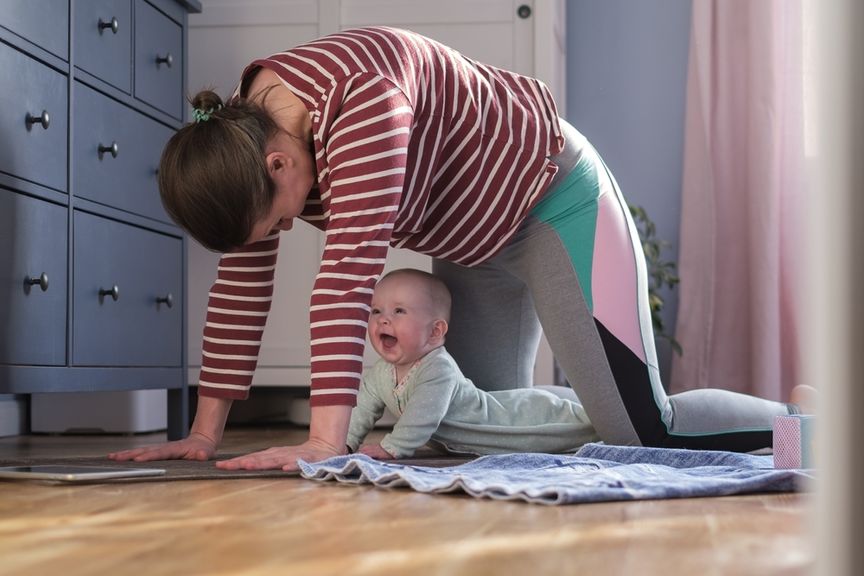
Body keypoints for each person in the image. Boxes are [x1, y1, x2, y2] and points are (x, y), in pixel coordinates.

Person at [109, 26, 803, 471]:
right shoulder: (243, 132)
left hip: (552, 204)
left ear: (279, 167)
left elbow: (345, 277)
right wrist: (204, 432)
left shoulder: (362, 107)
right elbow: (243, 281)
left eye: (281, 219)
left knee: (642, 434)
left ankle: (805, 427)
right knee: (469, 432)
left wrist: (324, 446)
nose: (288, 230)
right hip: (470, 243)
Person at [348, 269, 599, 459]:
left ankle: (620, 414)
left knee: (577, 424)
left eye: (399, 311)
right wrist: (343, 442)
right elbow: (362, 410)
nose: (383, 320)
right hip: (479, 434)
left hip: (505, 424)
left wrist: (391, 448)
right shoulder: (380, 373)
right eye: (376, 311)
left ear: (435, 331)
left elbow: (421, 416)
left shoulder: (437, 368)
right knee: (558, 407)